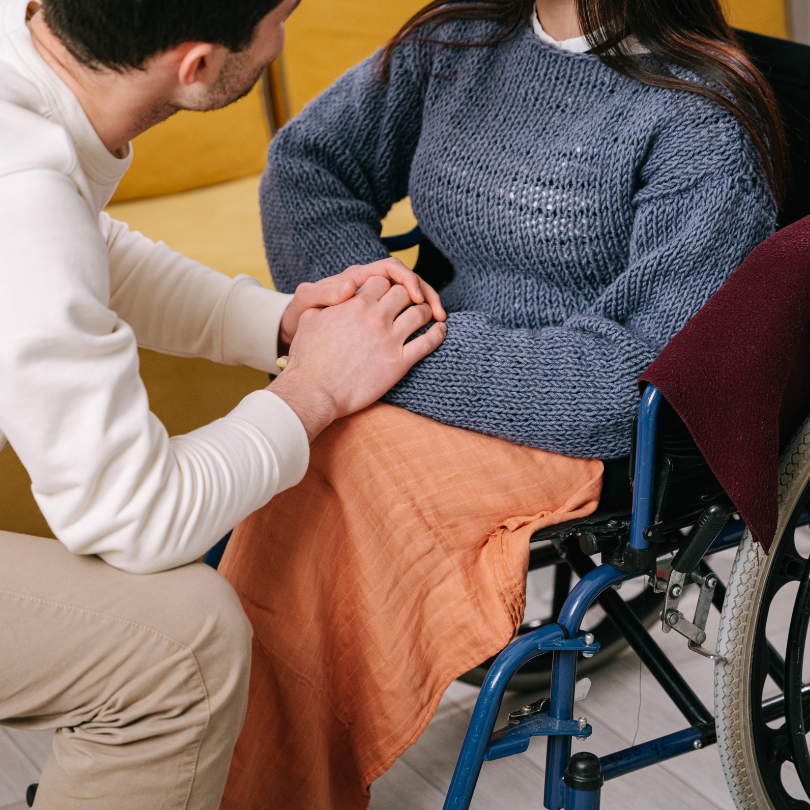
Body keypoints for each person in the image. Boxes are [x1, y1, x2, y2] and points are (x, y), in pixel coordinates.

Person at [218, 0, 784, 808]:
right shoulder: (457, 38)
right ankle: (222, 755)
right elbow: (309, 167)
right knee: (289, 444)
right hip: (437, 360)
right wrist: (369, 307)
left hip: (569, 416)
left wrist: (390, 353)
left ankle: (265, 780)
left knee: (340, 453)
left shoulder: (698, 120)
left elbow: (624, 382)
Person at [0, 0, 448, 807]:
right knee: (183, 644)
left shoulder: (22, 62)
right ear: (198, 65)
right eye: (284, 18)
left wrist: (278, 320)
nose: (285, 38)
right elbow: (131, 517)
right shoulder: (22, 201)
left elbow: (82, 245)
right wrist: (313, 391)